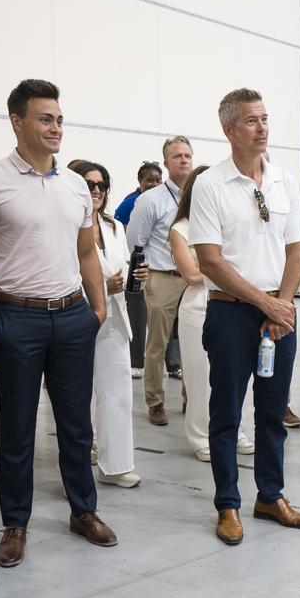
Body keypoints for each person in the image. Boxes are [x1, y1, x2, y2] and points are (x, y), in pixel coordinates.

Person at [0, 78, 113, 568]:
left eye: (59, 119)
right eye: (45, 119)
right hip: (17, 318)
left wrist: (98, 311)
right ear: (17, 122)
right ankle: (15, 523)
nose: (55, 128)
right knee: (17, 428)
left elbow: (86, 252)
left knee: (76, 425)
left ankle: (83, 510)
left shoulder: (75, 185)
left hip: (72, 316)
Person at [188, 88, 300, 546]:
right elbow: (210, 260)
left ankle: (270, 496)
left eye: (264, 119)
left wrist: (283, 304)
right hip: (231, 314)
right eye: (250, 121)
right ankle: (228, 504)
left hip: (278, 315)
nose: (262, 128)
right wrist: (267, 304)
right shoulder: (210, 184)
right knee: (226, 414)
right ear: (228, 130)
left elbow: (296, 249)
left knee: (272, 412)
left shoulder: (283, 180)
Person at [169, 166, 255, 461]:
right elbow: (193, 274)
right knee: (200, 377)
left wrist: (223, 270)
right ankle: (200, 435)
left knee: (237, 374)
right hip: (198, 306)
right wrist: (225, 272)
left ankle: (237, 429)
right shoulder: (181, 229)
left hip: (235, 303)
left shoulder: (227, 224)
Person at [71, 159, 144, 488]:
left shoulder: (115, 227)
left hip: (114, 318)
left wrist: (134, 277)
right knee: (77, 396)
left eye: (102, 185)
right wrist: (101, 286)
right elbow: (60, 273)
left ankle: (115, 466)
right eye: (90, 184)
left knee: (117, 393)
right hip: (77, 316)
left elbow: (121, 269)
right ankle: (79, 461)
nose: (97, 190)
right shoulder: (66, 225)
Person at [129, 136, 193, 426]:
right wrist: (143, 276)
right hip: (163, 277)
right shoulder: (151, 199)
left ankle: (192, 398)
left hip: (194, 279)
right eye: (177, 156)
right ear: (166, 163)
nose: (184, 160)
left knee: (195, 343)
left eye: (187, 155)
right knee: (157, 344)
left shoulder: (199, 196)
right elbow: (135, 242)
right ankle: (155, 401)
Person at [116, 161, 164, 379]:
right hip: (136, 268)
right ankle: (136, 362)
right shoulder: (129, 204)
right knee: (138, 316)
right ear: (140, 181)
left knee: (161, 320)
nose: (154, 184)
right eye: (149, 180)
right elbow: (123, 237)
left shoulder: (168, 201)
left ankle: (172, 363)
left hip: (161, 269)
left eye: (157, 180)